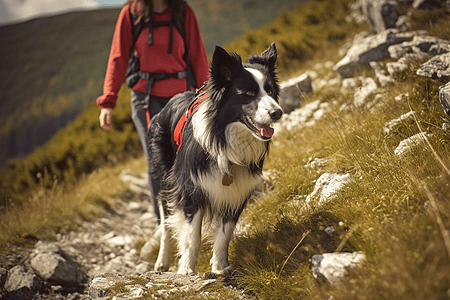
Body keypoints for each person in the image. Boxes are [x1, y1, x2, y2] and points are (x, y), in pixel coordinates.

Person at [96, 0, 209, 224]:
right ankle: (165, 225)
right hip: (145, 98)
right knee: (156, 161)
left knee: (184, 157)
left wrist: (206, 97)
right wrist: (108, 102)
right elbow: (118, 58)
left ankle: (190, 218)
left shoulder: (182, 11)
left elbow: (197, 54)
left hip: (180, 98)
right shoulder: (131, 13)